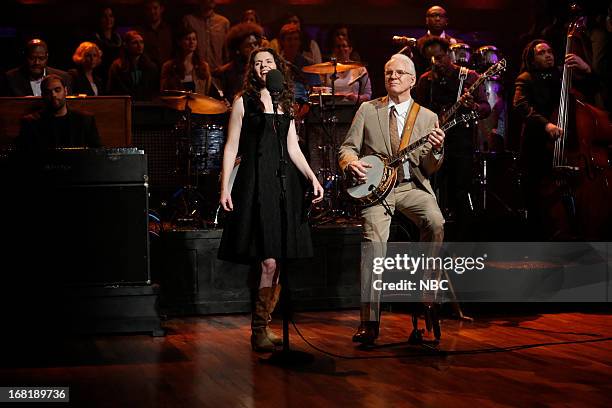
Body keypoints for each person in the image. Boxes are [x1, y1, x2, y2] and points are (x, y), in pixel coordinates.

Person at [217, 48, 324, 352]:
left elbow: (292, 147)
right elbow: (231, 146)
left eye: (269, 62)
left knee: (278, 259)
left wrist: (312, 177)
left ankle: (265, 324)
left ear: (278, 67)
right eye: (258, 63)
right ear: (252, 69)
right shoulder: (243, 101)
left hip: (282, 183)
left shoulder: (284, 101)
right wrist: (225, 187)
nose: (264, 66)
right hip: (255, 181)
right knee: (267, 259)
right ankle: (258, 328)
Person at [338, 54, 446, 345]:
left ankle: (427, 294)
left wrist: (436, 151)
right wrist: (350, 164)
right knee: (373, 246)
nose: (393, 76)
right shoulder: (368, 109)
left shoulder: (427, 117)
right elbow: (347, 147)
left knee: (435, 221)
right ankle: (369, 322)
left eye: (400, 72)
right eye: (388, 72)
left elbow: (430, 168)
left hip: (411, 186)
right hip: (377, 191)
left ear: (412, 80)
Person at [512, 39, 592, 240]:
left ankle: (573, 230)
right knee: (536, 193)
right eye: (542, 53)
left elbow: (593, 88)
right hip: (537, 143)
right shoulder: (526, 78)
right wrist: (546, 125)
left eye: (550, 51)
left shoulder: (562, 74)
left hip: (566, 143)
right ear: (532, 58)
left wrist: (587, 69)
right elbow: (521, 105)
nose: (548, 55)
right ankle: (539, 237)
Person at [414, 36, 490, 241]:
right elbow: (417, 113)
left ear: (449, 55)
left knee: (460, 192)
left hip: (460, 144)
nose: (435, 63)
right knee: (432, 192)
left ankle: (462, 242)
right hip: (434, 145)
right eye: (431, 59)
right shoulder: (425, 80)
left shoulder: (469, 76)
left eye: (439, 57)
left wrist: (471, 104)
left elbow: (485, 108)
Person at [16, 74, 101, 152]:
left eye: (57, 90)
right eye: (48, 92)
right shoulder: (31, 122)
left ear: (66, 91)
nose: (53, 95)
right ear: (43, 95)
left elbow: (97, 152)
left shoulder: (85, 120)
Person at [2, 39, 71, 97]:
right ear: (25, 56)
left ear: (47, 57)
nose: (37, 62)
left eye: (41, 58)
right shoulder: (10, 78)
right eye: (32, 58)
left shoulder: (63, 77)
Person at [216, 22, 264, 103]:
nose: (254, 48)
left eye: (255, 44)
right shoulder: (228, 72)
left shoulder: (263, 67)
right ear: (238, 49)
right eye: (248, 45)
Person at [160, 26, 214, 96]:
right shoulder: (168, 66)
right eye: (187, 39)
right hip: (176, 104)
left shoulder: (203, 66)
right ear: (179, 42)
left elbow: (207, 92)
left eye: (194, 39)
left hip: (198, 105)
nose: (191, 42)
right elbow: (163, 91)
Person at [107, 31, 160, 101]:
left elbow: (155, 91)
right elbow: (111, 90)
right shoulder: (117, 66)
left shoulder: (151, 67)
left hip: (146, 107)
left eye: (141, 42)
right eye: (135, 43)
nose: (140, 45)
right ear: (126, 45)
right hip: (124, 106)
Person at [182, 0, 230, 71]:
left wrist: (224, 68)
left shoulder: (223, 22)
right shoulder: (189, 21)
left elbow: (227, 52)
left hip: (217, 74)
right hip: (195, 73)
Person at [322, 37, 371, 103]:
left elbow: (368, 95)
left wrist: (356, 98)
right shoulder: (327, 69)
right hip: (331, 109)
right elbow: (322, 93)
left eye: (344, 46)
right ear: (334, 49)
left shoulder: (360, 69)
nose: (341, 49)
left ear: (350, 49)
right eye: (338, 46)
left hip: (353, 109)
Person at [414, 6, 459, 77]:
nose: (437, 19)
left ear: (446, 21)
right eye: (433, 16)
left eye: (441, 16)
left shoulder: (456, 43)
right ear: (426, 20)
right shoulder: (417, 44)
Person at [135, 0, 173, 70]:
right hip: (148, 72)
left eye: (155, 8)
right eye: (148, 9)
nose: (152, 12)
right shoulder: (139, 31)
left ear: (161, 9)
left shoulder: (169, 30)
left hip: (168, 72)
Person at [92, 6, 123, 85]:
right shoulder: (93, 40)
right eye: (104, 16)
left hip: (118, 79)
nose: (108, 19)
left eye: (111, 16)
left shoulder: (119, 38)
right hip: (100, 79)